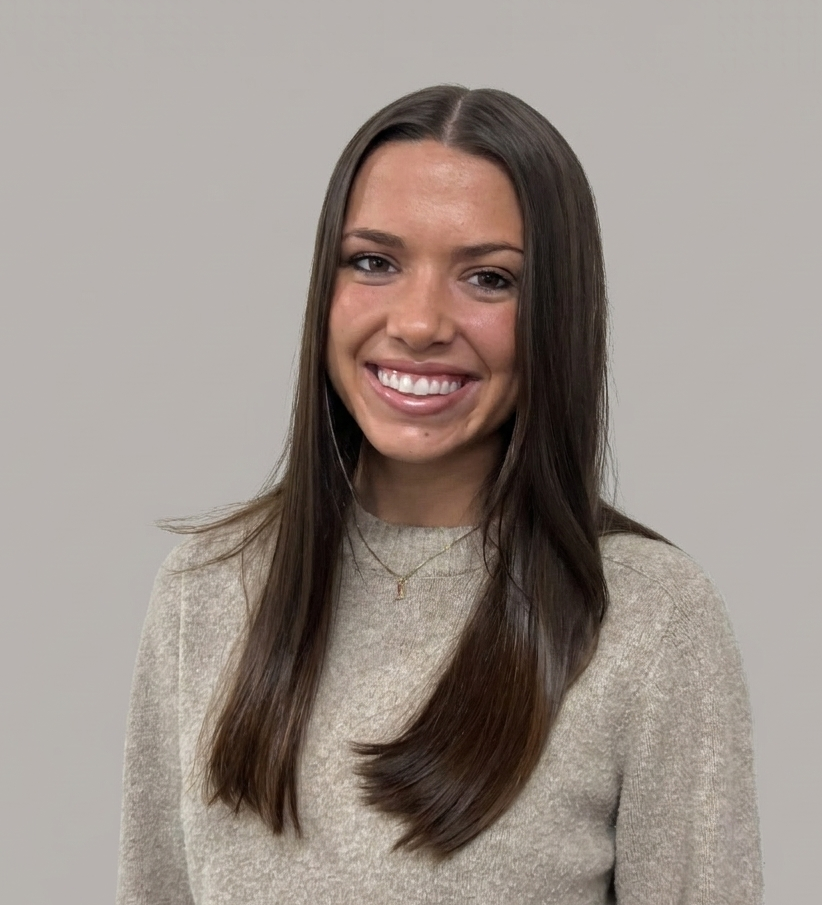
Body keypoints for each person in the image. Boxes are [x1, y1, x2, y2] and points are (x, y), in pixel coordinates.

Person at [116, 85, 763, 904]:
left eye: (489, 278)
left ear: (555, 314)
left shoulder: (649, 619)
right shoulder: (205, 589)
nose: (420, 322)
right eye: (374, 262)